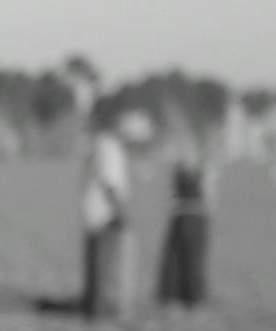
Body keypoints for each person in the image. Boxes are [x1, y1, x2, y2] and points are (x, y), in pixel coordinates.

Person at [80, 106, 150, 318]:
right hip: (103, 217)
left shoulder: (105, 145)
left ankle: (97, 306)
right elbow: (110, 186)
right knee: (106, 269)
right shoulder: (110, 148)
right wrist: (122, 214)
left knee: (98, 270)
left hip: (96, 215)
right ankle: (103, 309)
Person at [157, 142, 212, 308]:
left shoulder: (178, 171)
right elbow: (209, 196)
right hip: (195, 214)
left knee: (177, 259)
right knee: (194, 259)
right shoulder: (202, 172)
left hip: (181, 214)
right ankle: (193, 296)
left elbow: (173, 195)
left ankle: (178, 294)